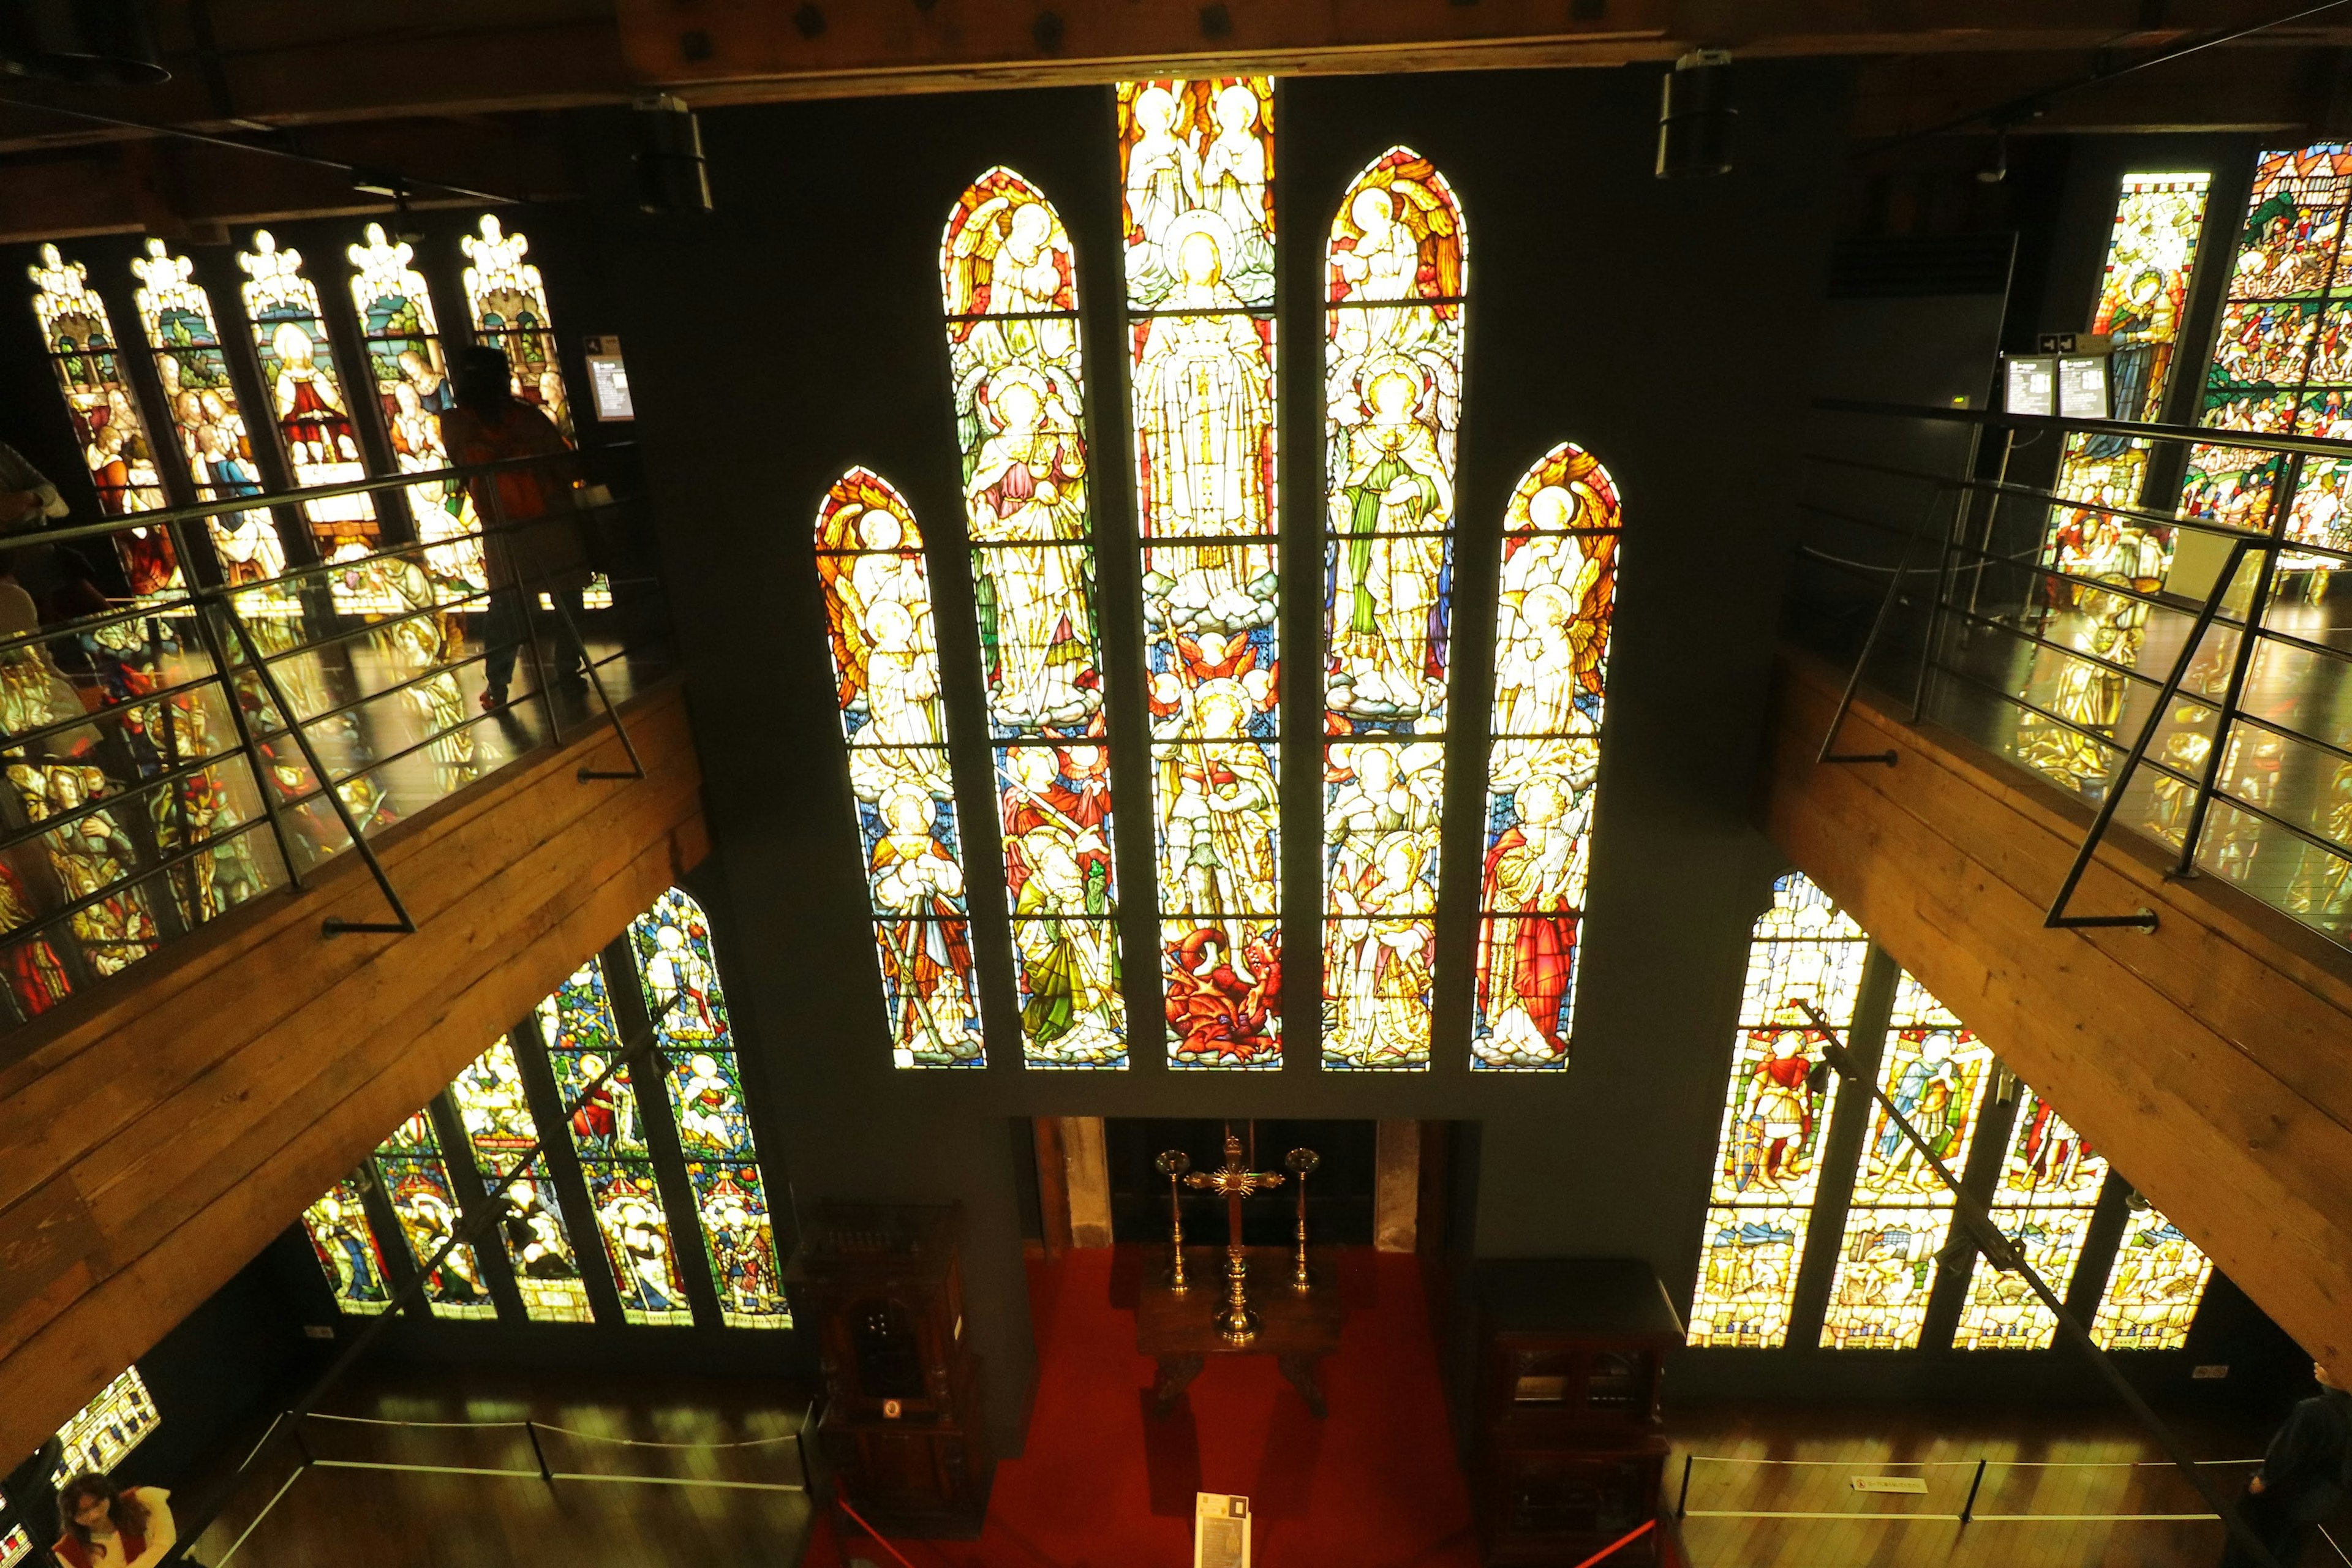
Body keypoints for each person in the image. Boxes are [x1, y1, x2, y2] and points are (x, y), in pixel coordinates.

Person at [437, 345, 589, 712]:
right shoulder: (529, 419)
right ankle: (568, 672)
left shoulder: (456, 424)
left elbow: (464, 465)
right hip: (549, 519)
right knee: (567, 598)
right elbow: (565, 467)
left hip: (501, 525)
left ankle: (498, 686)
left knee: (505, 607)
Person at [2222, 1360, 2352, 1567]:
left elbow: (2287, 1451)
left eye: (2327, 1362)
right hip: (2321, 1502)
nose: (2317, 1363)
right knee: (2289, 1554)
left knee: (2248, 1550)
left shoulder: (2312, 1410)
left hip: (2286, 1498)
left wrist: (2263, 1479)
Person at [52, 1472, 175, 1568]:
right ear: (71, 1518)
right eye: (83, 1512)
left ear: (108, 1495)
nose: (94, 1515)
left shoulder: (144, 1500)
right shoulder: (66, 1553)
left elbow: (165, 1546)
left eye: (97, 1504)